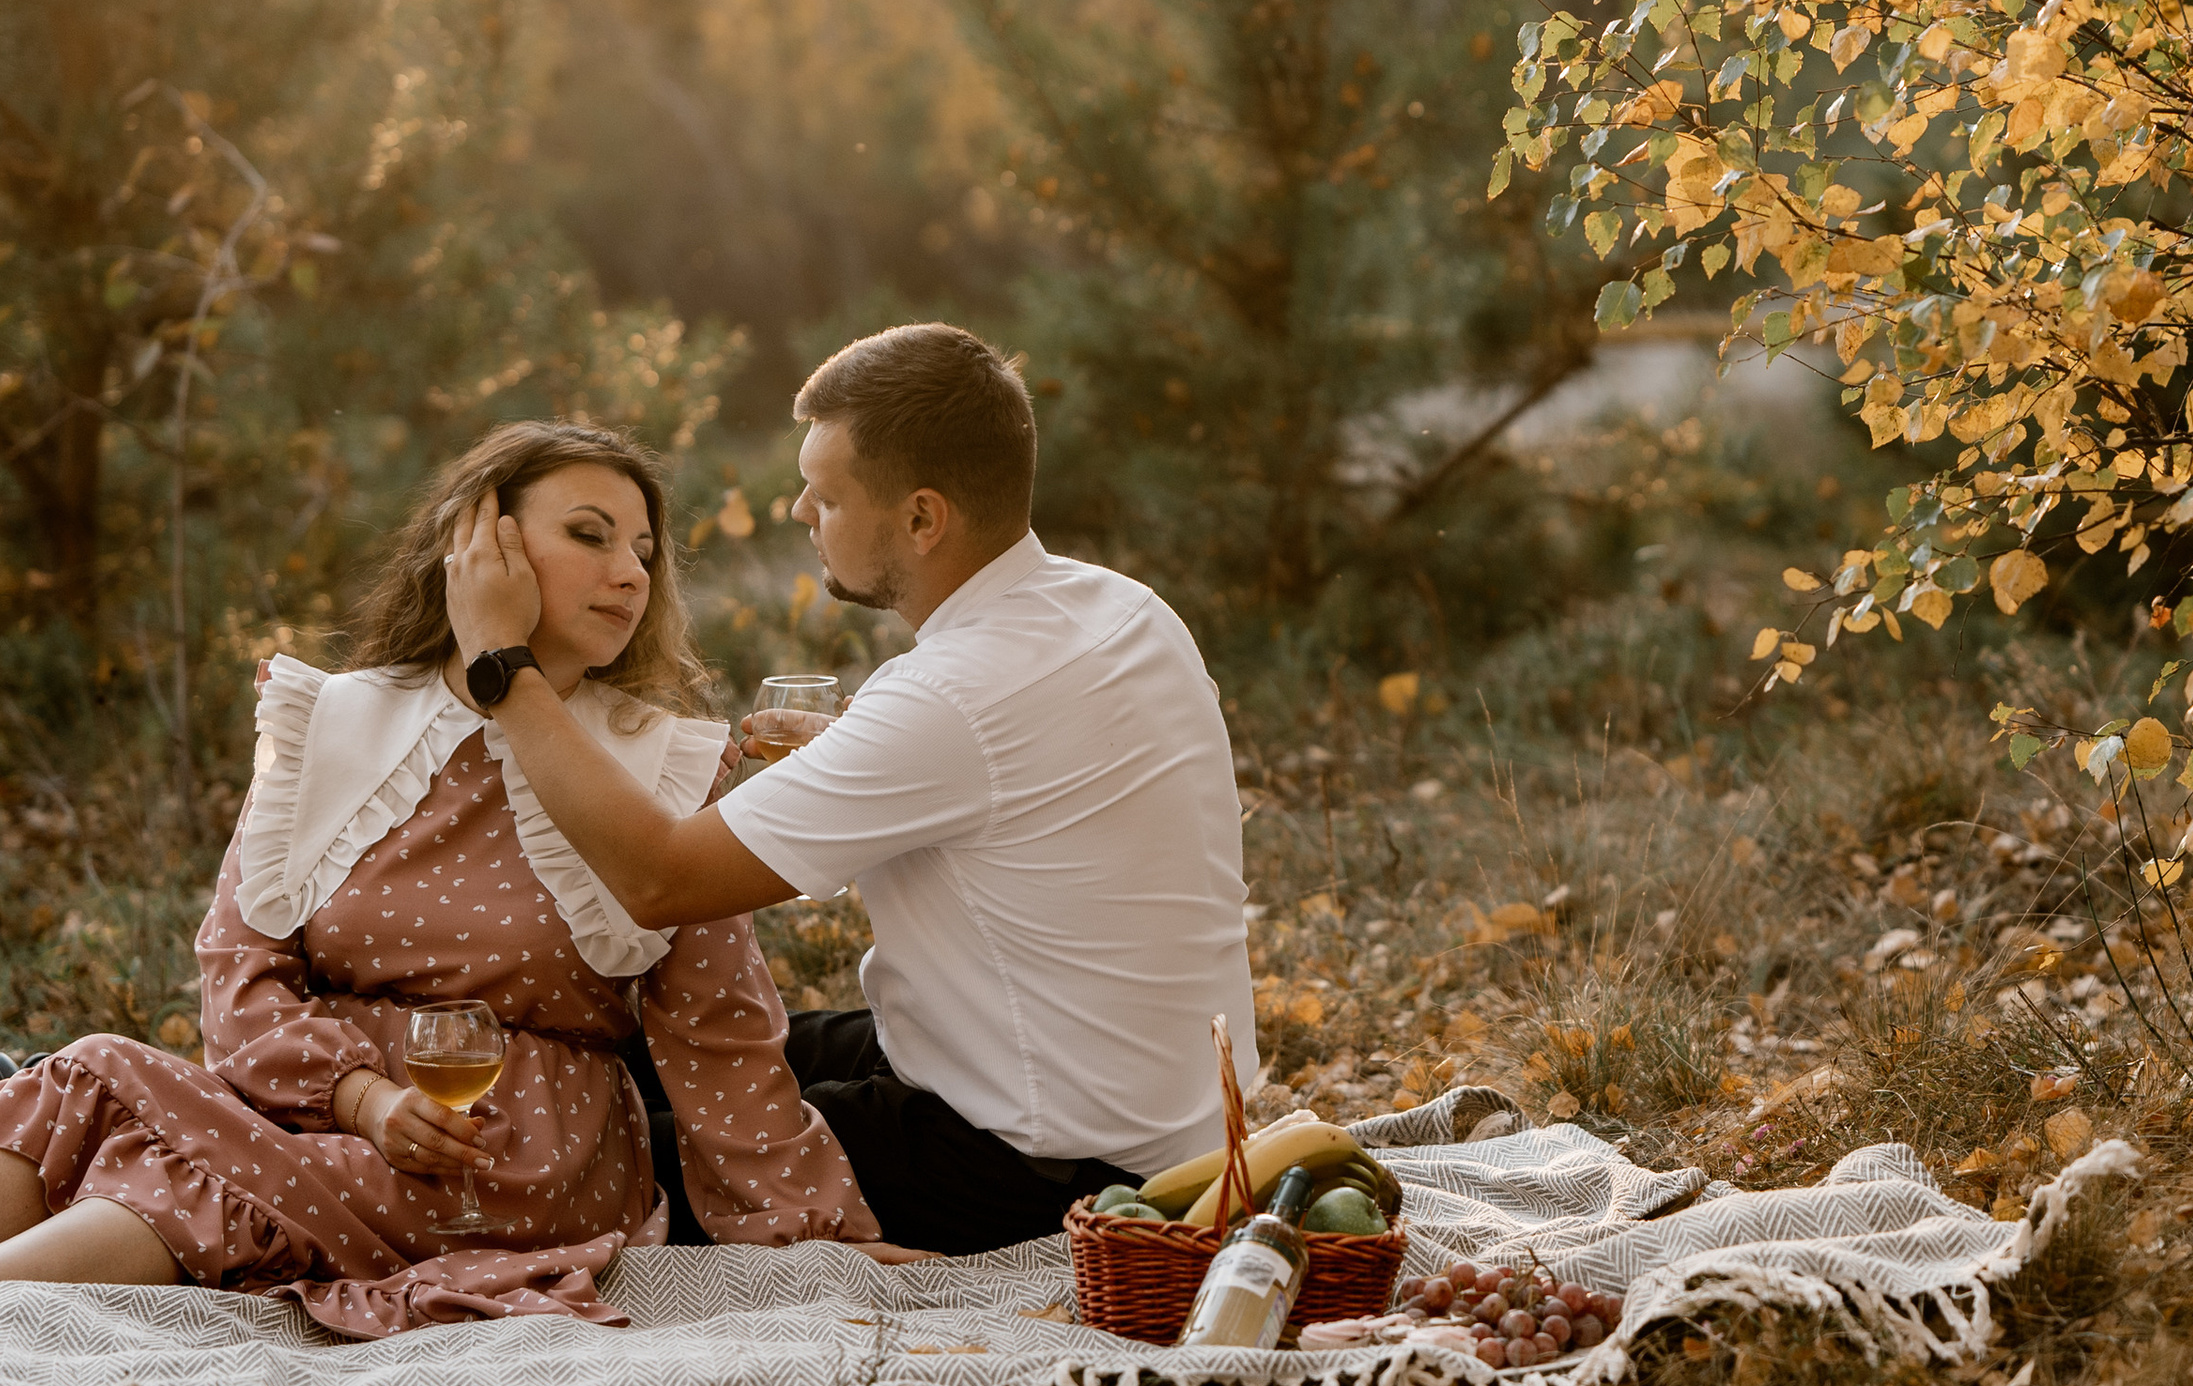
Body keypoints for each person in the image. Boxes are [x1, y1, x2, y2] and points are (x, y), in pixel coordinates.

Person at [0, 422, 887, 1332]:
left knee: (180, 1177)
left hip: (509, 1158)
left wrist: (810, 1232)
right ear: (476, 543)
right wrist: (362, 1098)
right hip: (312, 1113)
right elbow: (241, 968)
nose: (631, 572)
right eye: (591, 535)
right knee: (86, 1073)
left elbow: (718, 1032)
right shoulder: (331, 724)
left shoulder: (658, 765)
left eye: (644, 551)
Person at [446, 322, 1260, 1257]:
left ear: (921, 519)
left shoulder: (950, 697)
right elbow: (1026, 792)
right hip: (1143, 1104)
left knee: (575, 1154)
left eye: (826, 496)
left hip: (1045, 1165)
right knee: (617, 1059)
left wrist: (502, 664)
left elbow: (660, 880)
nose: (798, 511)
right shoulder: (1120, 607)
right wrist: (863, 765)